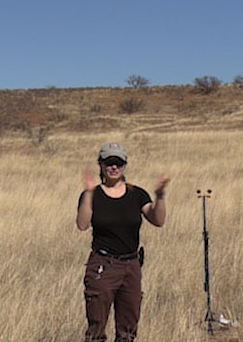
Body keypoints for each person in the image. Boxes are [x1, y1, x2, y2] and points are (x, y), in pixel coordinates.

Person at [76, 142, 170, 342]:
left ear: (125, 165)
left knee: (128, 330)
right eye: (109, 162)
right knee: (96, 329)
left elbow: (158, 220)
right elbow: (82, 224)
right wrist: (90, 193)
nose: (113, 167)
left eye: (118, 163)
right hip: (103, 265)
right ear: (100, 165)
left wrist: (160, 196)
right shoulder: (92, 194)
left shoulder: (137, 194)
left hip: (131, 265)